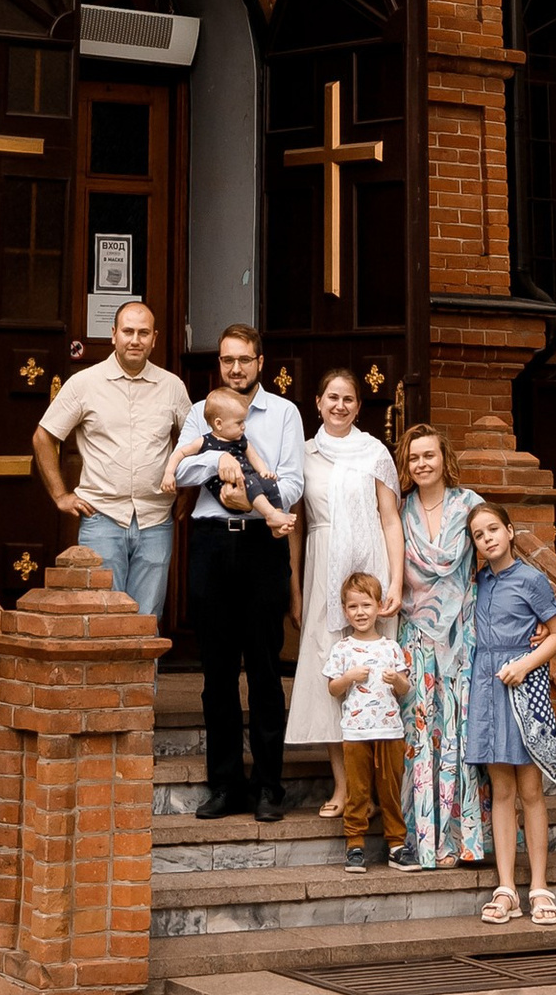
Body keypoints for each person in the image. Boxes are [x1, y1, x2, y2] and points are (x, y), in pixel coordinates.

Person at [171, 324, 305, 822]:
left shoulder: (285, 414)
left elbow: (291, 484)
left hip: (261, 546)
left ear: (260, 362)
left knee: (266, 670)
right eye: (228, 359)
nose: (235, 368)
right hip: (210, 545)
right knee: (217, 671)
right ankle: (225, 784)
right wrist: (218, 467)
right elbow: (180, 472)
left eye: (244, 359)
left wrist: (248, 498)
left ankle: (269, 785)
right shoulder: (199, 411)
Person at [284, 368, 404, 818]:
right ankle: (345, 787)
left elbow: (390, 519)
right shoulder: (304, 454)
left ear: (358, 405)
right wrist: (295, 588)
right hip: (322, 571)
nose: (339, 406)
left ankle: (378, 790)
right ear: (317, 402)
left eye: (348, 399)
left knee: (374, 677)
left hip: (371, 570)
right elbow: (295, 529)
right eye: (331, 397)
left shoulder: (374, 452)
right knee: (329, 675)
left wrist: (394, 581)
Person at [32, 298, 190, 619]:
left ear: (154, 338)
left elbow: (193, 442)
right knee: (103, 617)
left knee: (147, 620)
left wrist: (189, 490)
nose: (135, 340)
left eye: (143, 333)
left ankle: (145, 674)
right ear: (113, 334)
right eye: (128, 331)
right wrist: (61, 495)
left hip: (156, 520)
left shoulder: (172, 387)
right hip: (102, 519)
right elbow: (44, 436)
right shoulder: (84, 384)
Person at [464, 495, 556, 925]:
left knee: (530, 792)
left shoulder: (532, 580)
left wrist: (525, 663)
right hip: (486, 691)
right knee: (501, 793)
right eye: (477, 535)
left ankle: (539, 886)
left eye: (492, 530)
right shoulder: (478, 581)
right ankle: (506, 887)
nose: (486, 539)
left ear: (509, 533)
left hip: (521, 689)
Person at [392, 423, 488, 869]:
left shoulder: (471, 506)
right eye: (414, 458)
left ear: (443, 457)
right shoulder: (399, 508)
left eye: (428, 455)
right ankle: (426, 841)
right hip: (414, 639)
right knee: (420, 738)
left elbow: (497, 560)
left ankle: (462, 839)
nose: (422, 464)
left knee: (458, 731)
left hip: (460, 639)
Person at [323, 570, 409, 869]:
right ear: (345, 611)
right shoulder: (343, 648)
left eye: (366, 605)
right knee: (358, 790)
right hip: (356, 732)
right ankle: (355, 844)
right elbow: (333, 689)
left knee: (390, 788)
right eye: (353, 607)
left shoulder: (390, 647)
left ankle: (397, 844)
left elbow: (405, 688)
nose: (360, 612)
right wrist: (347, 677)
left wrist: (395, 679)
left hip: (389, 730)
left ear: (379, 606)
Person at [190, 386, 288, 516]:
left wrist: (264, 471)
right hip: (229, 489)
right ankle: (271, 516)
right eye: (239, 423)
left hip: (248, 478)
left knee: (269, 484)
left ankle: (278, 515)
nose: (244, 426)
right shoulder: (205, 440)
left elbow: (253, 456)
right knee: (251, 483)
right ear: (219, 424)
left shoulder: (240, 439)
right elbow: (180, 455)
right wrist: (169, 473)